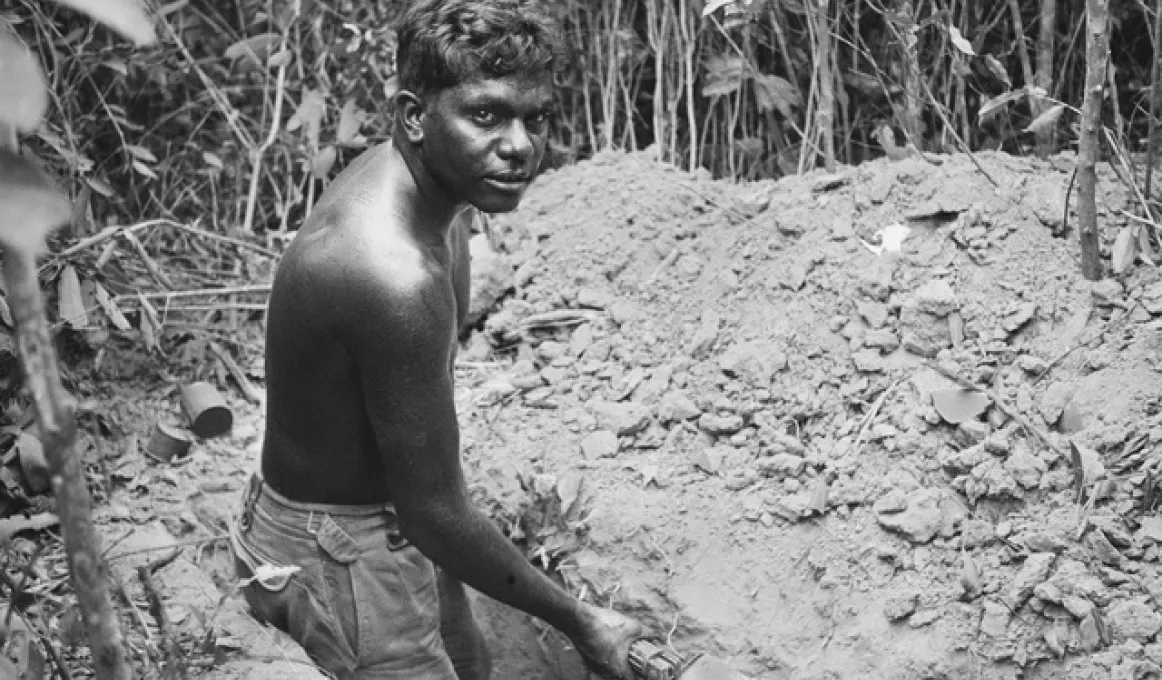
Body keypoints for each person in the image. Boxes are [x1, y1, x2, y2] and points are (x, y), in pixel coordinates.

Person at [228, 1, 645, 679]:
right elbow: (436, 513)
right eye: (486, 115)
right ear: (414, 116)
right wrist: (583, 621)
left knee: (469, 660)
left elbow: (427, 501)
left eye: (534, 117)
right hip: (338, 545)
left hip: (388, 512)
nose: (519, 145)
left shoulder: (437, 196)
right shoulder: (392, 276)